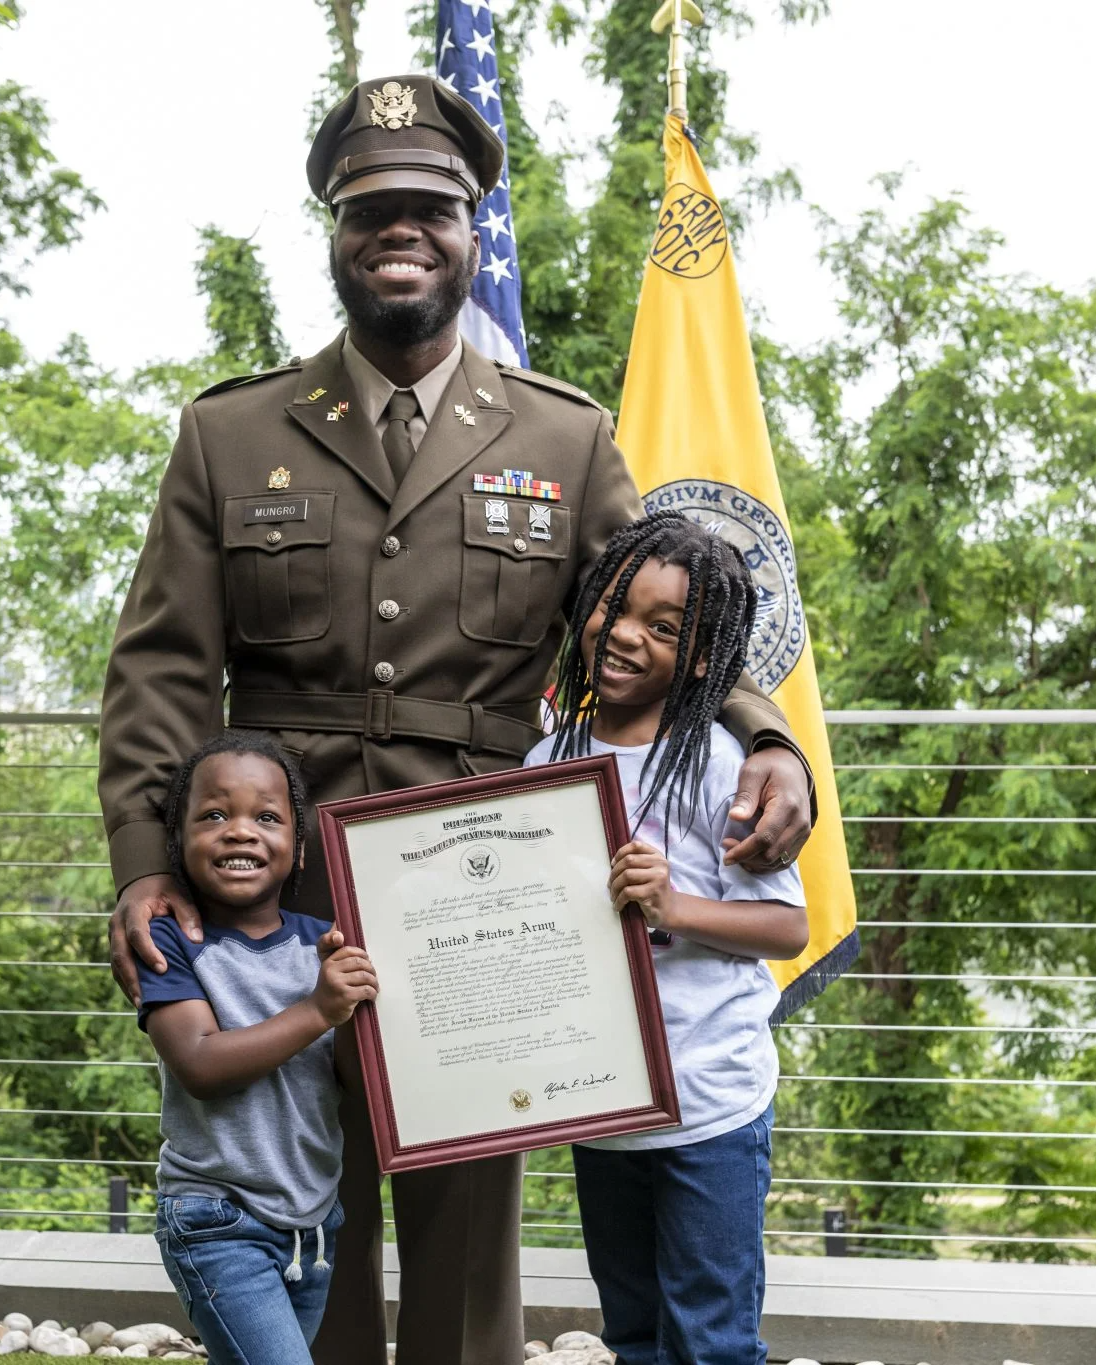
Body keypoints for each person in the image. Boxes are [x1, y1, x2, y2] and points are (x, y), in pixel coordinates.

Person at [98, 71, 819, 1364]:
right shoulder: (229, 434)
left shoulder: (563, 438)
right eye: (370, 207)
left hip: (485, 909)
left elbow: (663, 614)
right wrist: (148, 869)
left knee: (462, 1284)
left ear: (473, 229)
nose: (401, 230)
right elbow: (160, 671)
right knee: (289, 1249)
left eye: (430, 207)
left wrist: (770, 742)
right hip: (276, 909)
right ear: (332, 229)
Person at [525, 512, 809, 1365]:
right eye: (615, 605)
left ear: (704, 657)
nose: (624, 634)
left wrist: (674, 906)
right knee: (636, 1336)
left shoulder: (721, 762)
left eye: (664, 626)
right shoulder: (547, 762)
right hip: (603, 1107)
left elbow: (787, 926)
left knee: (712, 1340)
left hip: (708, 1106)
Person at [136, 730, 378, 1365]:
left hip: (312, 1227)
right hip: (216, 1220)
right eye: (214, 814)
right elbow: (200, 1065)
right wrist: (319, 1009)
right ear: (177, 843)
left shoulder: (321, 944)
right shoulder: (172, 945)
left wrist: (349, 1012)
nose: (240, 831)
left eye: (266, 817)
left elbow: (352, 1079)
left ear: (297, 850)